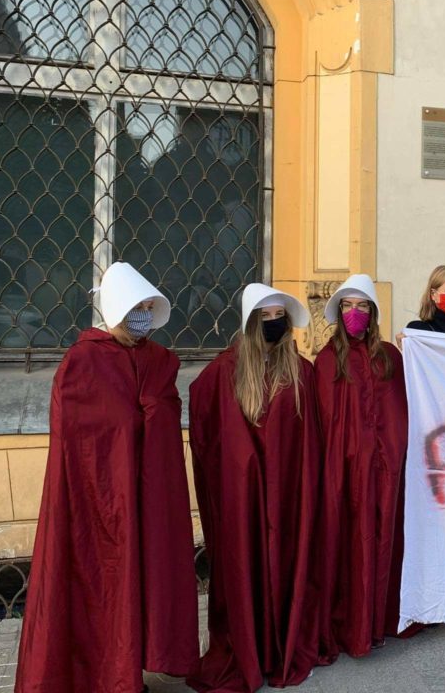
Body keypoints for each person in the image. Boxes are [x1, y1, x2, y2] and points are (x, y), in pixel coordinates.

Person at [15, 262, 198, 693]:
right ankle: (97, 675)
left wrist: (150, 415)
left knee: (143, 579)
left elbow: (165, 417)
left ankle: (128, 671)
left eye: (149, 308)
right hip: (95, 499)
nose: (143, 316)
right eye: (136, 307)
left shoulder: (159, 361)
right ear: (116, 309)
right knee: (98, 584)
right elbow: (76, 437)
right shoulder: (82, 361)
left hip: (147, 494)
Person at [187, 284, 321, 692]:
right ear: (249, 323)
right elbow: (206, 428)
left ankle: (280, 646)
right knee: (244, 567)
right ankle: (246, 649)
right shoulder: (224, 372)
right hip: (242, 498)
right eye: (264, 317)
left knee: (284, 563)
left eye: (279, 315)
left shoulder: (301, 372)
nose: (274, 323)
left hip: (287, 496)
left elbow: (311, 439)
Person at [314, 274, 409, 660]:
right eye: (348, 307)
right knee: (347, 541)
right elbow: (324, 419)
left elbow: (402, 409)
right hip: (343, 470)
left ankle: (379, 619)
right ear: (338, 313)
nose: (355, 314)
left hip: (384, 469)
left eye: (363, 306)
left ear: (373, 313)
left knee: (383, 536)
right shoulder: (326, 361)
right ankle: (348, 624)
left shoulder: (389, 356)